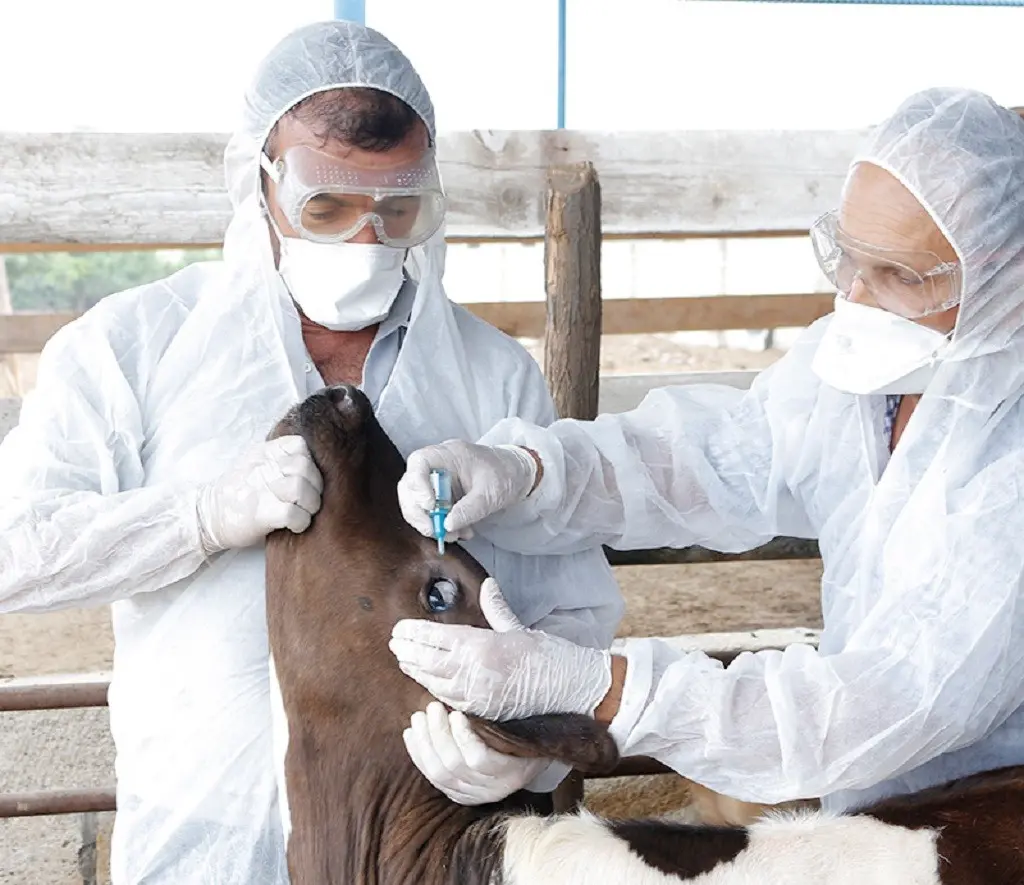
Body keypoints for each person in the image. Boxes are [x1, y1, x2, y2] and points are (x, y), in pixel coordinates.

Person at [0, 20, 623, 884]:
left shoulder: (490, 376)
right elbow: (16, 552)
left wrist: (522, 758)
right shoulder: (134, 349)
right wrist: (198, 516)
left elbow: (573, 608)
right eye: (325, 208)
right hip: (203, 831)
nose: (366, 241)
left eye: (397, 209)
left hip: (421, 832)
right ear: (258, 183)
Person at [391, 87, 1024, 816]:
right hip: (880, 819)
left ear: (1004, 269)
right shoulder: (880, 371)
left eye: (897, 275)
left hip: (995, 824)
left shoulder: (1007, 458)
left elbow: (883, 703)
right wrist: (533, 473)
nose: (853, 295)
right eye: (847, 256)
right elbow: (717, 458)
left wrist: (598, 688)